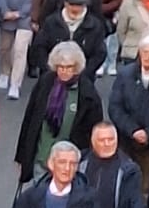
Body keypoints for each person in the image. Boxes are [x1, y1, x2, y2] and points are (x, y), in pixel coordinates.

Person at [14, 41, 102, 185]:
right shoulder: (45, 83)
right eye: (60, 67)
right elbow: (30, 119)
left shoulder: (87, 93)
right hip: (42, 159)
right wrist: (22, 156)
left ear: (77, 68)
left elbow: (93, 131)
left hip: (70, 164)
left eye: (69, 67)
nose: (64, 71)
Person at [110, 32, 149, 208]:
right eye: (144, 52)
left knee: (144, 185)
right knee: (122, 179)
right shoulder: (125, 74)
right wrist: (132, 130)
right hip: (126, 139)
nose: (147, 56)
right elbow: (115, 107)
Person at [28, 0, 106, 78]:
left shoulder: (95, 25)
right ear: (65, 3)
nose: (75, 9)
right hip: (51, 77)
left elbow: (99, 53)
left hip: (83, 79)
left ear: (85, 5)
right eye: (72, 4)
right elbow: (39, 47)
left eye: (79, 5)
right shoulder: (51, 22)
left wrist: (85, 72)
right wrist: (49, 68)